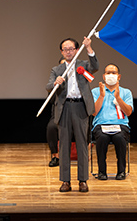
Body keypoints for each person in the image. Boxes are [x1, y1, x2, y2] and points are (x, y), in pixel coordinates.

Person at [46, 37, 98, 193]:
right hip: (64, 108)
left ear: (76, 50)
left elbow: (95, 66)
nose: (68, 51)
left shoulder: (83, 65)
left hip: (81, 107)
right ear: (61, 52)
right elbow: (48, 86)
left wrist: (89, 48)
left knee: (82, 144)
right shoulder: (57, 69)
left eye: (71, 49)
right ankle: (65, 181)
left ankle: (83, 180)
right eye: (65, 49)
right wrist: (56, 82)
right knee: (64, 146)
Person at [91, 64, 133, 181]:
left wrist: (119, 98)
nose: (111, 75)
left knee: (119, 138)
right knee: (103, 138)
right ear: (104, 76)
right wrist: (101, 96)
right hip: (101, 125)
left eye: (113, 73)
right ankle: (102, 172)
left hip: (121, 125)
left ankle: (121, 171)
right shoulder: (96, 91)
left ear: (118, 76)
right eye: (108, 73)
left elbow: (129, 112)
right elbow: (94, 113)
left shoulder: (126, 92)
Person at [47, 57, 65, 167]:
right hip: (58, 114)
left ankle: (84, 155)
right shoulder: (55, 82)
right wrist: (55, 85)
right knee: (51, 127)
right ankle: (55, 156)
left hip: (74, 113)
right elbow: (51, 100)